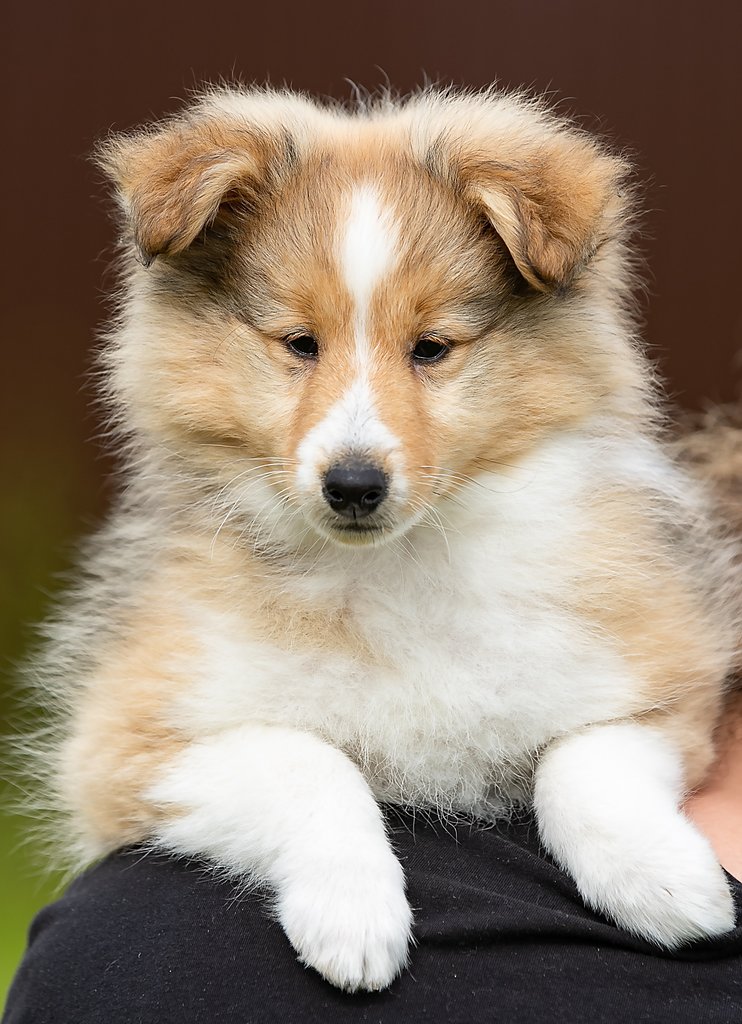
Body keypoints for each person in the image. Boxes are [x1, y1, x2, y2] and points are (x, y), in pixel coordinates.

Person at [4, 695, 741, 1023]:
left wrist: (598, 792)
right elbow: (125, 757)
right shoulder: (161, 953)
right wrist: (311, 820)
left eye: (428, 360)